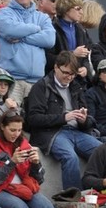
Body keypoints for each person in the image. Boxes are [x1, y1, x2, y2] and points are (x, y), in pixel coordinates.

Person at [25, 50, 100, 190]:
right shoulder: (41, 87)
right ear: (55, 67)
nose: (69, 77)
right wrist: (63, 118)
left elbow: (90, 119)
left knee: (101, 151)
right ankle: (74, 199)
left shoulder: (76, 86)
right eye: (65, 72)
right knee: (70, 157)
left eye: (72, 74)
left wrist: (83, 120)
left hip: (77, 131)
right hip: (52, 133)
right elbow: (33, 119)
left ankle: (99, 192)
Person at [0, 0, 55, 103]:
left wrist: (21, 37)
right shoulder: (4, 13)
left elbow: (49, 40)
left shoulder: (42, 17)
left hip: (37, 81)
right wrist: (36, 28)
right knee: (12, 118)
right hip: (12, 80)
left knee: (34, 120)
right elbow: (9, 30)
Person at [48, 0, 92, 79]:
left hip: (78, 82)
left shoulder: (81, 30)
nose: (82, 12)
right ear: (66, 9)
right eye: (78, 9)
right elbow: (48, 58)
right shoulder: (51, 28)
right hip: (57, 79)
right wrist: (73, 54)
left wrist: (85, 68)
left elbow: (87, 56)